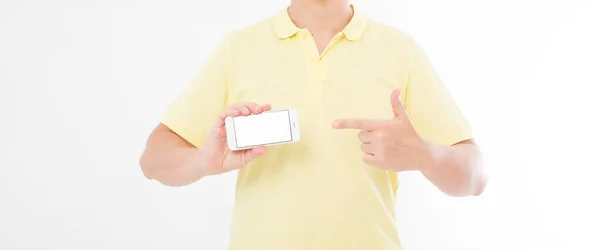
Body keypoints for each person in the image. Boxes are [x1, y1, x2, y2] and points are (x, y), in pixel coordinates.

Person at [139, 0, 487, 249]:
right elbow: (153, 160)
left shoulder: (401, 51)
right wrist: (202, 161)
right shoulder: (239, 48)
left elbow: (475, 176)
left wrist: (427, 155)